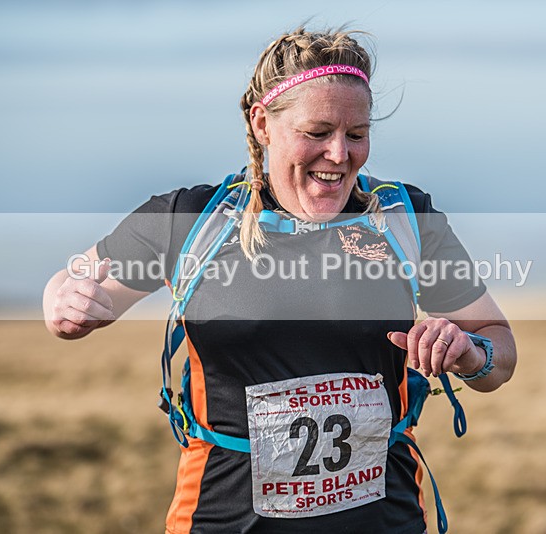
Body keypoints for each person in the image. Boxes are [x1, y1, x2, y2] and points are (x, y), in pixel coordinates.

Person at [43, 26, 516, 534]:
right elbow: (76, 286)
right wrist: (62, 306)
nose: (340, 154)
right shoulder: (192, 220)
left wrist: (469, 354)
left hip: (387, 521)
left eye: (357, 134)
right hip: (222, 521)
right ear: (262, 123)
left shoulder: (404, 219)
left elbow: (499, 351)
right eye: (317, 132)